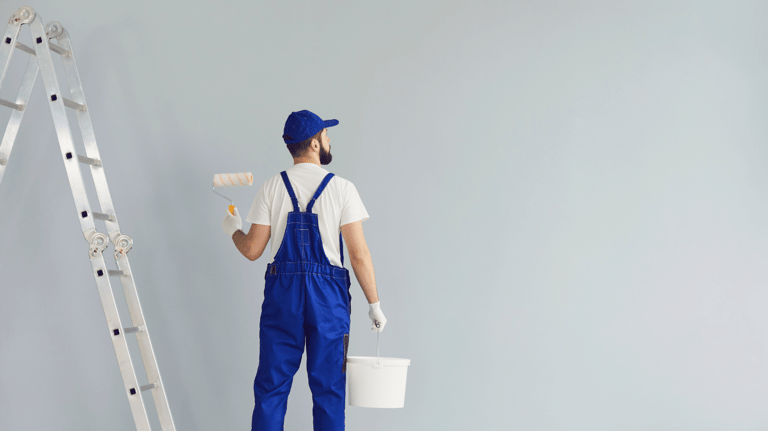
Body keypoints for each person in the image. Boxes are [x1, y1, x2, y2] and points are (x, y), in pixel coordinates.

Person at [221, 109, 387, 431]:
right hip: (328, 300)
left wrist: (233, 230)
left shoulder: (272, 187)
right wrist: (374, 304)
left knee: (271, 388)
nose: (329, 140)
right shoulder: (342, 189)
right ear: (313, 144)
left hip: (283, 296)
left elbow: (252, 250)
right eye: (326, 135)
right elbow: (359, 255)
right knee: (328, 390)